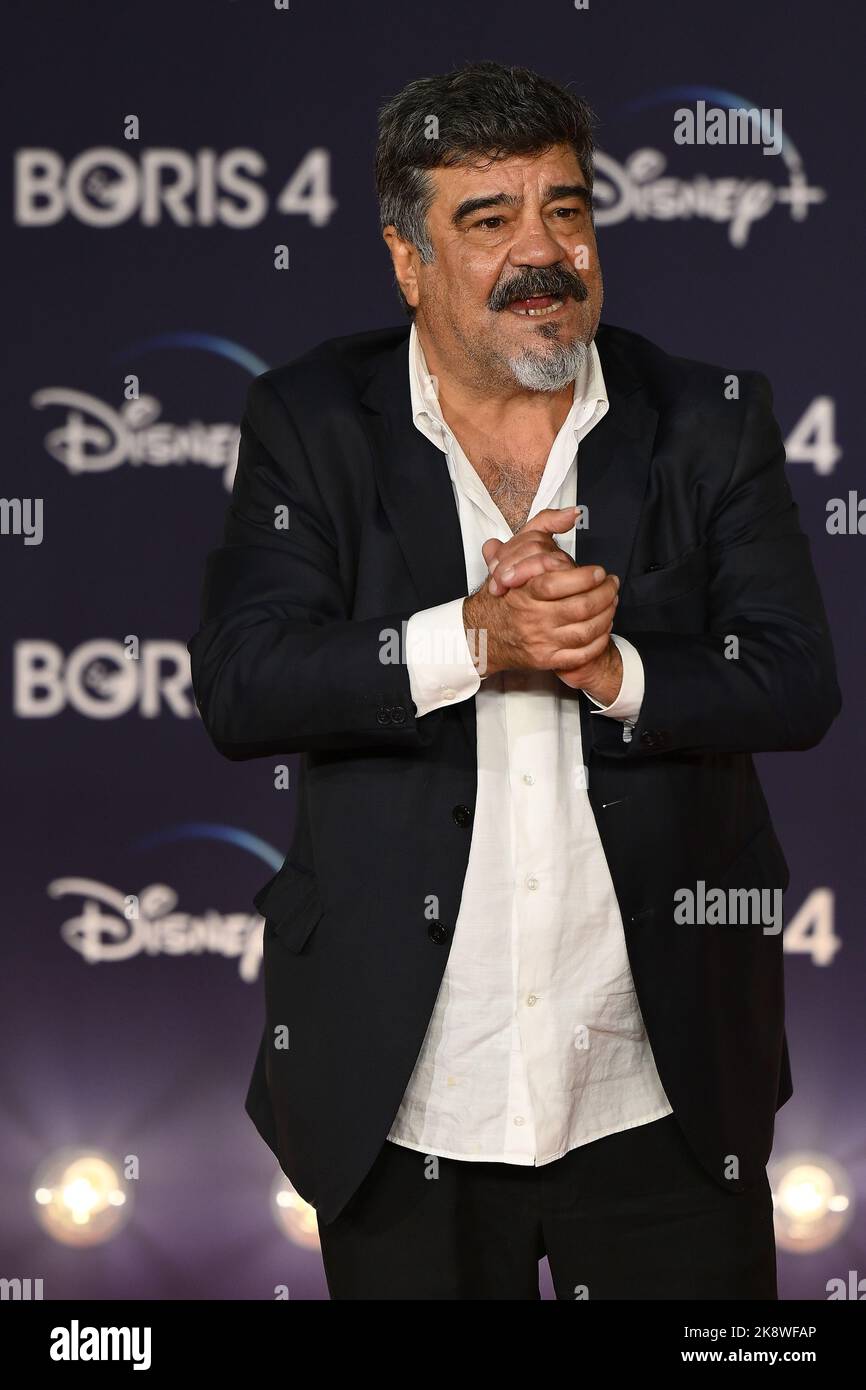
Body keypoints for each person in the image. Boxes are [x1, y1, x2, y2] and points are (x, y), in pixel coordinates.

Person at [188, 61, 841, 1300]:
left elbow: (795, 678)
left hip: (658, 1088)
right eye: (487, 220)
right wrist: (472, 640)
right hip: (407, 1093)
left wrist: (615, 666)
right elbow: (244, 682)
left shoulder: (707, 416)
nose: (540, 251)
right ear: (404, 259)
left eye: (566, 209)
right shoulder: (311, 419)